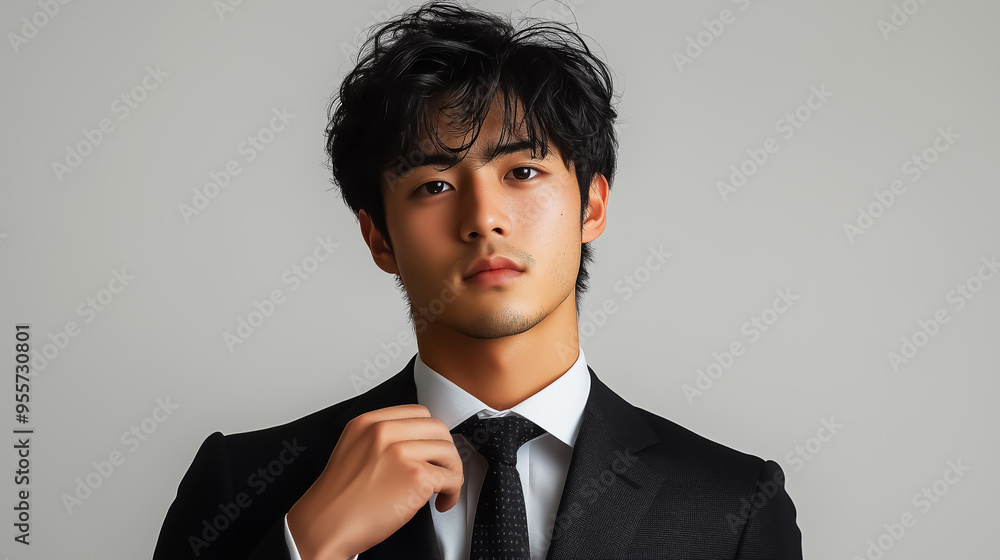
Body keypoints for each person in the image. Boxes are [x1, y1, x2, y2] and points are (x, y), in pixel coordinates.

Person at [152, 2, 803, 559]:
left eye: (521, 172)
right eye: (433, 185)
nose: (483, 219)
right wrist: (312, 545)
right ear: (378, 236)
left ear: (592, 207)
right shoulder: (242, 483)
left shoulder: (732, 501)